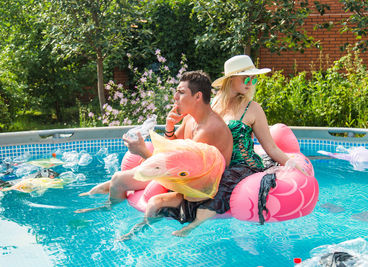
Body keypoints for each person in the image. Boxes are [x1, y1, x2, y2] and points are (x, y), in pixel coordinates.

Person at [123, 55, 298, 238]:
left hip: (240, 167)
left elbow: (270, 147)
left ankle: (191, 227)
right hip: (207, 167)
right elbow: (180, 146)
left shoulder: (253, 108)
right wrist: (169, 129)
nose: (251, 83)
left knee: (222, 183)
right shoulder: (208, 104)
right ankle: (141, 227)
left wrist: (292, 163)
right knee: (164, 196)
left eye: (253, 79)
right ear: (231, 79)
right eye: (246, 78)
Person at [77, 71, 233, 216]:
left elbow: (182, 174)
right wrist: (170, 127)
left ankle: (112, 214)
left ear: (198, 97)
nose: (175, 97)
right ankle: (105, 205)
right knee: (115, 180)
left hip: (196, 189)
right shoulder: (191, 119)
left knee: (118, 180)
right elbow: (171, 149)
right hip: (182, 176)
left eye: (181, 92)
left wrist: (143, 152)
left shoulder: (209, 130)